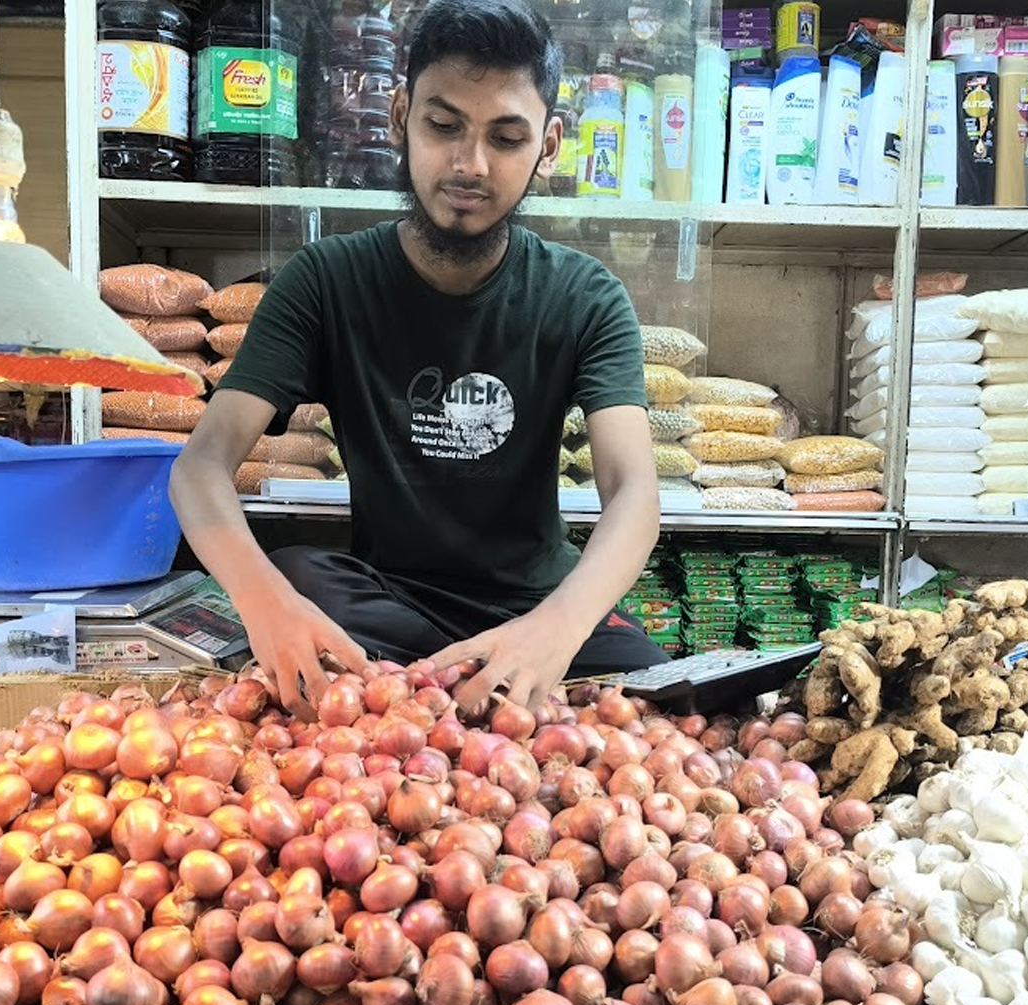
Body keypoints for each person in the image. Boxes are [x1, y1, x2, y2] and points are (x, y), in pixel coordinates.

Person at [169, 0, 666, 721]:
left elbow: (634, 494)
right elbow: (201, 466)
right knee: (299, 573)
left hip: (535, 603)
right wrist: (264, 603)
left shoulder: (585, 296)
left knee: (657, 694)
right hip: (387, 601)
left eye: (506, 137)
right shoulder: (325, 281)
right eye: (443, 126)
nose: (469, 164)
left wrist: (558, 629)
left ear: (549, 146)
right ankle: (441, 685)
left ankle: (445, 682)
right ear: (400, 115)